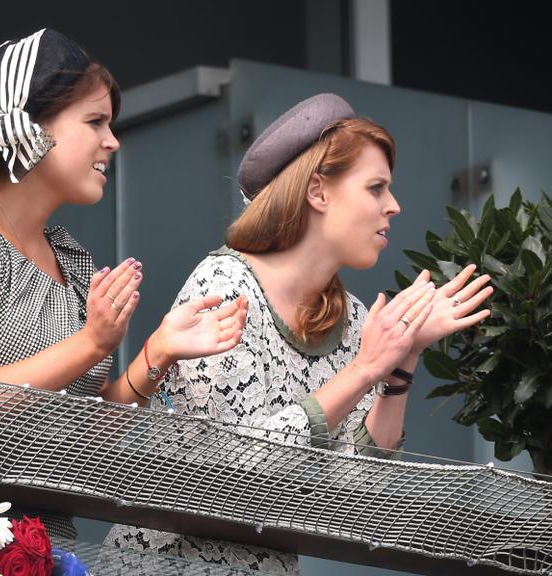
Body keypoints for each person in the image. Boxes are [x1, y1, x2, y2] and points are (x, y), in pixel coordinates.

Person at [106, 93, 493, 574]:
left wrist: (401, 360)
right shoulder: (224, 286)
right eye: (375, 188)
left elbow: (359, 493)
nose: (393, 206)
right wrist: (362, 371)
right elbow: (236, 475)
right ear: (318, 192)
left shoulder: (351, 317)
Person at [0, 28, 247, 404]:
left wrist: (158, 352)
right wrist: (92, 342)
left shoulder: (68, 256)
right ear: (31, 128)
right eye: (95, 121)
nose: (112, 141)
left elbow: (86, 434)